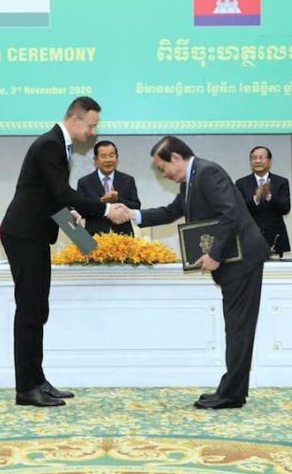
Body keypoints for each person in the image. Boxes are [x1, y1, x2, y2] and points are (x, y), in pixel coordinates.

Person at [115, 136, 269, 409]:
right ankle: (231, 389)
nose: (164, 173)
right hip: (235, 261)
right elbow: (172, 211)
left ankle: (231, 394)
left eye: (163, 168)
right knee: (235, 327)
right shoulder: (193, 179)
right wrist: (133, 215)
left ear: (175, 157)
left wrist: (214, 254)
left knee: (238, 328)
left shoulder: (208, 173)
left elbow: (230, 214)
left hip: (242, 260)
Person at [1, 97, 128, 407]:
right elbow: (61, 192)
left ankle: (37, 380)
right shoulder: (50, 145)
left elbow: (52, 196)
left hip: (35, 234)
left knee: (38, 309)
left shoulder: (59, 145)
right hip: (24, 234)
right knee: (30, 311)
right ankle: (26, 389)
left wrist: (72, 217)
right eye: (92, 125)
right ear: (75, 119)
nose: (94, 132)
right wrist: (105, 207)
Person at [76, 140, 141, 236]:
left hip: (123, 238)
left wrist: (117, 199)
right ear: (96, 160)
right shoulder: (84, 182)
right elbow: (81, 210)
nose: (108, 160)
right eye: (103, 156)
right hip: (95, 237)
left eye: (111, 155)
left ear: (117, 158)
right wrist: (101, 201)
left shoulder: (128, 180)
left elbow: (136, 206)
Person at [234, 146, 290, 256]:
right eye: (254, 158)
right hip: (250, 237)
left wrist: (269, 196)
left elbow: (286, 208)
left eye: (261, 157)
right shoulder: (241, 183)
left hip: (275, 238)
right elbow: (238, 210)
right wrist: (256, 198)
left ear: (270, 161)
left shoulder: (281, 182)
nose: (258, 161)